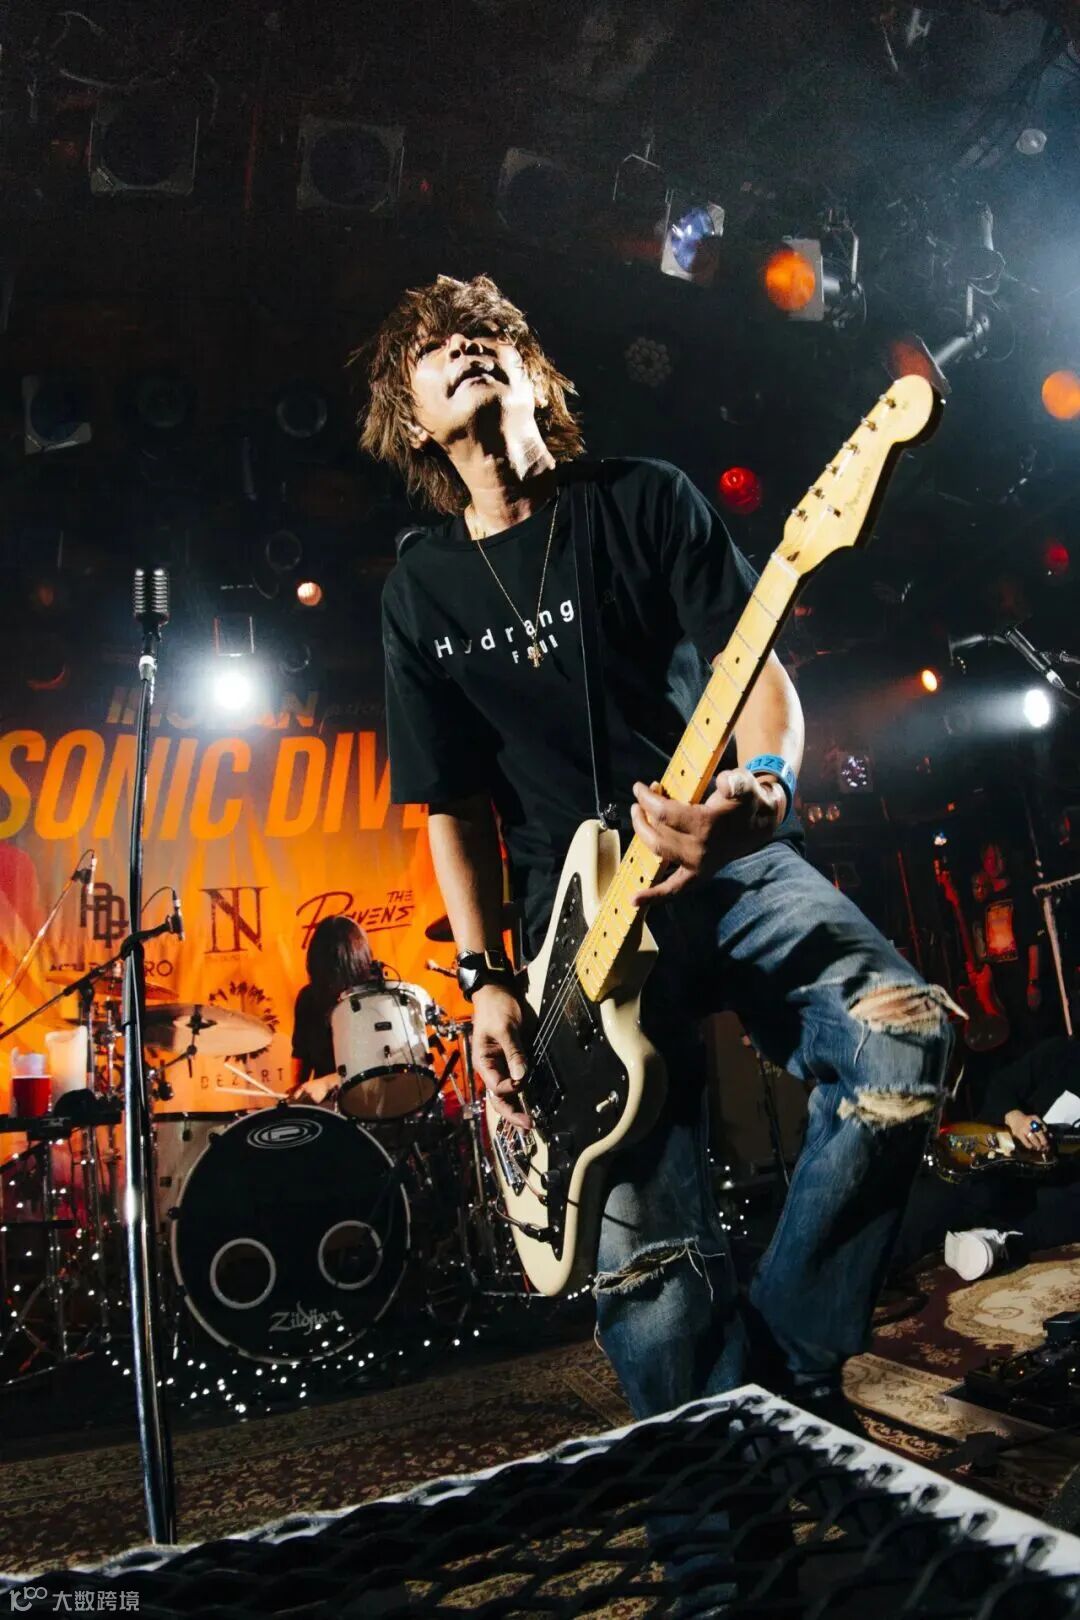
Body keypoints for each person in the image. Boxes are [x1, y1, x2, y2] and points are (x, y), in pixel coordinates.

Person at [362, 272, 955, 1421]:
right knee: (654, 1281)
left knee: (903, 1037)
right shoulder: (419, 591)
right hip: (572, 941)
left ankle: (786, 1372)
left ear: (535, 373)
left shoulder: (643, 498)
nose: (468, 348)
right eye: (437, 349)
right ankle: (720, 1517)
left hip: (719, 858)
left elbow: (757, 669)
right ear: (415, 422)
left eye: (488, 334)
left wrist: (765, 791)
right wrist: (486, 981)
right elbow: (452, 806)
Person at [892, 1034, 1080, 1281]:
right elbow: (1002, 1084)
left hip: (1043, 1191)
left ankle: (997, 1240)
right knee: (944, 1196)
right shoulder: (1064, 1052)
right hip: (993, 1162)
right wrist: (1016, 1117)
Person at [290, 915, 378, 1105]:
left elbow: (380, 1066)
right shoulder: (308, 998)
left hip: (371, 1100)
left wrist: (328, 1082)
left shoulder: (377, 998)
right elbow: (300, 1055)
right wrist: (296, 1093)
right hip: (326, 1107)